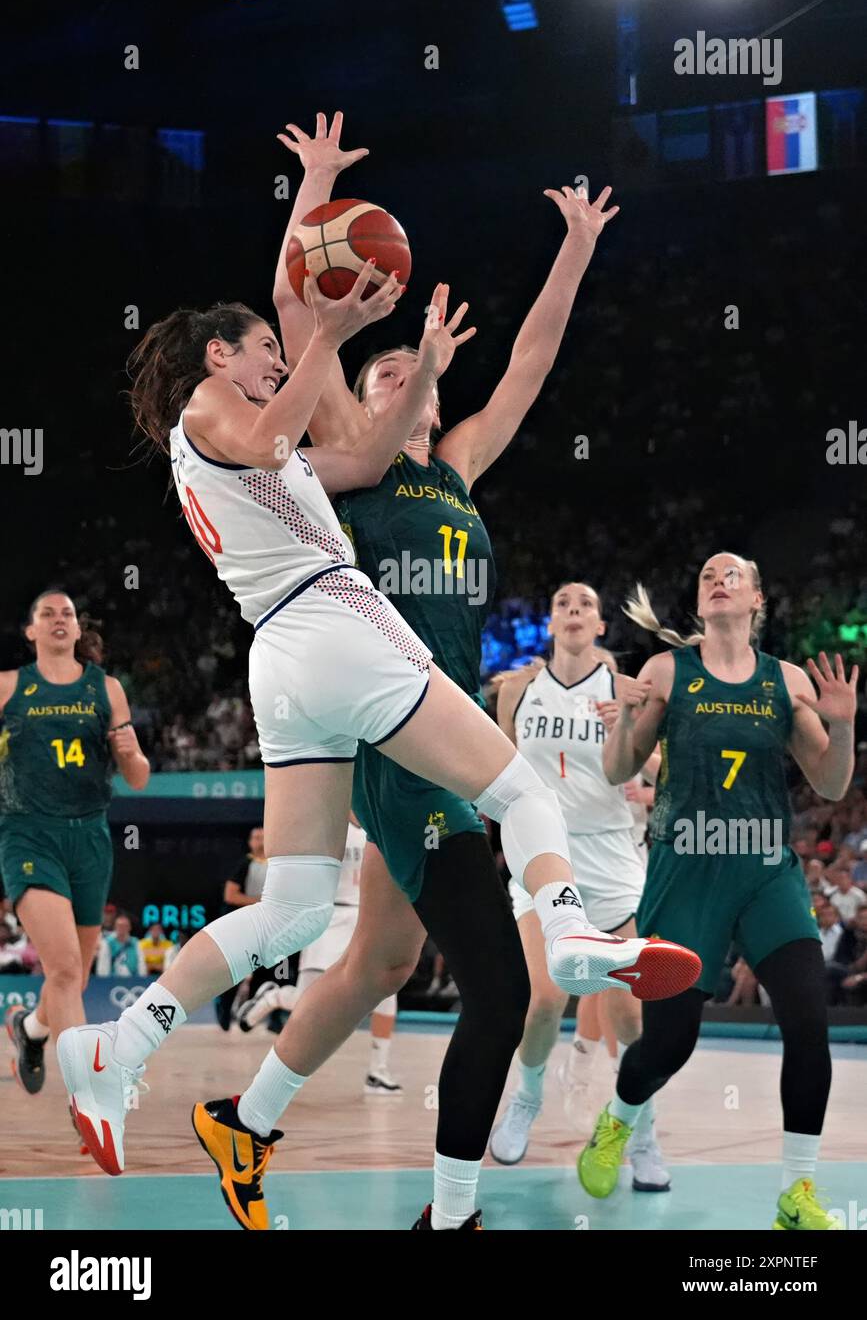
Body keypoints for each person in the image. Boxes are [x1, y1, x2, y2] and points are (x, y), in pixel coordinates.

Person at [58, 249, 695, 1190]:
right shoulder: (227, 416)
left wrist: (386, 328)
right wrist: (329, 330)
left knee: (306, 912)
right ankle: (568, 935)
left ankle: (123, 1045)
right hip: (343, 631)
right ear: (221, 355)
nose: (281, 359)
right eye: (265, 349)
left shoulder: (342, 459)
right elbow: (293, 409)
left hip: (290, 653)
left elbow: (343, 437)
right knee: (522, 790)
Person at [187, 111, 696, 1232]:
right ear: (359, 397)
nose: (407, 371)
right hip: (395, 734)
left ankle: (247, 1119)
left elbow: (534, 361)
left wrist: (576, 247)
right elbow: (291, 308)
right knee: (499, 987)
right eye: (388, 367)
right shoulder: (348, 468)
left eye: (418, 363)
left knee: (378, 959)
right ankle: (451, 1212)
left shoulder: (457, 464)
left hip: (446, 728)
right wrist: (314, 191)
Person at [578, 552, 858, 1231]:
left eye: (732, 574)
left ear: (757, 597)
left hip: (764, 871)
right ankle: (617, 1118)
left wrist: (843, 723)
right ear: (700, 605)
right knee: (670, 1044)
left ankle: (796, 1195)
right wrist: (621, 719)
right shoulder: (666, 671)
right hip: (684, 870)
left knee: (807, 1020)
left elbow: (828, 784)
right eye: (706, 575)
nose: (717, 579)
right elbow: (618, 768)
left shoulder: (785, 681)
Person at [490, 584, 669, 1190]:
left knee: (630, 1016)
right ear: (550, 622)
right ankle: (527, 1097)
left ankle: (642, 1135)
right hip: (545, 851)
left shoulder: (625, 691)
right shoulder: (517, 688)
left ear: (598, 625)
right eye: (563, 602)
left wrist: (638, 746)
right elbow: (500, 768)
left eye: (585, 605)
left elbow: (658, 769)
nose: (573, 610)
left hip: (613, 855)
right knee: (545, 999)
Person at [1, 591, 149, 1098]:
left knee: (75, 979)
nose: (59, 620)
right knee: (63, 968)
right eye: (47, 613)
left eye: (66, 614)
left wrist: (130, 752)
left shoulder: (105, 690)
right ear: (31, 631)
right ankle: (87, 1099)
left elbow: (138, 777)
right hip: (28, 833)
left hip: (89, 836)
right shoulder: (7, 689)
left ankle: (30, 1029)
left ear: (77, 630)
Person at [238, 814, 403, 1095]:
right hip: (330, 916)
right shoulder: (329, 823)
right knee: (308, 1001)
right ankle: (274, 997)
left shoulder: (380, 823)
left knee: (387, 993)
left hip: (368, 917)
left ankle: (378, 1072)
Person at [213, 825, 269, 1030]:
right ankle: (224, 1011)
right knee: (236, 970)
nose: (260, 841)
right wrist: (258, 902)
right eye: (256, 837)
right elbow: (230, 895)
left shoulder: (276, 864)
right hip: (242, 926)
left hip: (267, 928)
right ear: (250, 842)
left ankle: (249, 1016)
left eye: (264, 837)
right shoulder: (244, 864)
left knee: (264, 972)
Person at [96, 913, 146, 978]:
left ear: (130, 927)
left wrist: (142, 979)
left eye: (125, 926)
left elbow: (141, 963)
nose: (122, 928)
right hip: (112, 981)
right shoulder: (107, 943)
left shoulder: (136, 942)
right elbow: (103, 966)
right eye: (119, 926)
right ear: (115, 927)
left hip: (134, 980)